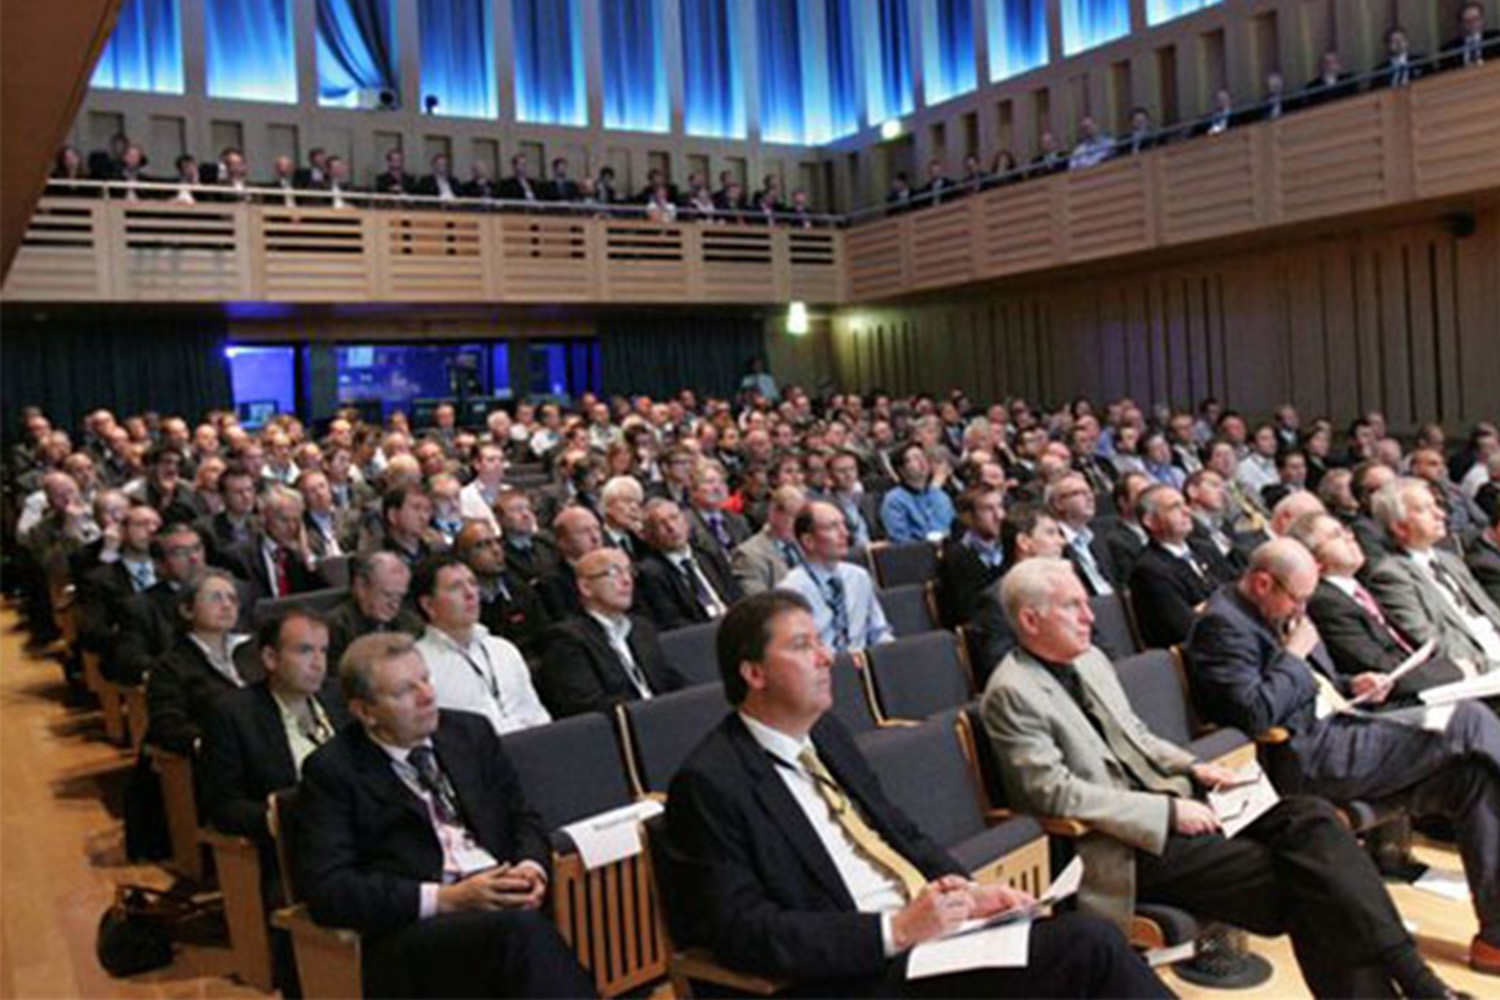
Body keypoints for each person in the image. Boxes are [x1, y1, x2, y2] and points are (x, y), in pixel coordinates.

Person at [983, 558, 1467, 999]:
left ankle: (1416, 980)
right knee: (1310, 882)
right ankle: (1419, 982)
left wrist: (1194, 767)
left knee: (1312, 817)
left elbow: (1136, 736)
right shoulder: (1011, 693)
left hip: (1184, 801)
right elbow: (1050, 792)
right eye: (1073, 607)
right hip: (1129, 844)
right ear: (1030, 619)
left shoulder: (1088, 660)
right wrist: (1168, 810)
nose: (1091, 617)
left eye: (1088, 604)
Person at [660, 591, 1172, 998]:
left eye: (821, 641)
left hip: (930, 941)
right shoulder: (710, 782)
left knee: (1079, 944)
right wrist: (896, 930)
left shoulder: (826, 735)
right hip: (855, 973)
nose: (826, 656)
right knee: (1091, 947)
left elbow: (897, 830)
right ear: (753, 674)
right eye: (801, 646)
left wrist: (970, 895)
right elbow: (745, 931)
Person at [1186, 539, 1500, 975]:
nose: (1304, 606)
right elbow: (1254, 713)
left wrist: (1353, 682)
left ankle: (1495, 940)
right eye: (1298, 597)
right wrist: (1295, 652)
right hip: (1305, 755)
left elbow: (1309, 683)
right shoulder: (1221, 626)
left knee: (1471, 779)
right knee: (1467, 720)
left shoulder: (1268, 611)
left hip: (1341, 723)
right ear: (1262, 583)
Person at [294, 633, 595, 998]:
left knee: (547, 923)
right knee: (521, 933)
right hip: (417, 931)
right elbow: (329, 891)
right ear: (364, 711)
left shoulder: (469, 733)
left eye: (426, 679)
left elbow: (522, 817)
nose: (427, 696)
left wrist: (530, 867)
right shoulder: (333, 771)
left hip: (500, 901)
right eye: (405, 691)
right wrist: (448, 898)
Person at [1289, 512, 1468, 699]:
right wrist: (1453, 670)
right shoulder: (1324, 603)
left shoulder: (1356, 587)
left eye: (1346, 531)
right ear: (1315, 561)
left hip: (1431, 683)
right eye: (1336, 536)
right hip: (1403, 701)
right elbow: (1382, 670)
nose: (1350, 538)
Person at [1363, 477, 1500, 669]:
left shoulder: (1449, 560)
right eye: (1424, 509)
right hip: (1480, 668)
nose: (1440, 514)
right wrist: (1489, 665)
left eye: (1435, 505)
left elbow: (1491, 613)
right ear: (1400, 527)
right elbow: (1430, 643)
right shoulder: (1390, 576)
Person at [536, 548, 685, 717]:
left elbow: (667, 679)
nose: (627, 580)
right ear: (586, 587)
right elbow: (587, 705)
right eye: (614, 572)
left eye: (629, 571)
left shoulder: (641, 627)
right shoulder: (566, 639)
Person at [412, 555, 550, 736]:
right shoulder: (418, 664)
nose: (470, 594)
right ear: (429, 605)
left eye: (473, 583)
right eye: (455, 588)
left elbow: (537, 714)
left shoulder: (503, 649)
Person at [145, 569, 260, 755]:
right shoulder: (170, 667)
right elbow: (167, 727)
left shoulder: (255, 650)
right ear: (187, 610)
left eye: (232, 599)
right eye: (215, 598)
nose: (227, 605)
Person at [777, 501, 893, 652]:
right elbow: (798, 650)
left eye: (843, 525)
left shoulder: (859, 577)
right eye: (833, 527)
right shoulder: (790, 591)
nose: (844, 533)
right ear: (808, 541)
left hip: (863, 666)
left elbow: (878, 631)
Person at [1129, 485, 1222, 648]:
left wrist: (1207, 607)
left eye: (1184, 504)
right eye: (1174, 507)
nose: (1187, 511)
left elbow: (1240, 591)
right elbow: (1186, 628)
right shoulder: (1148, 569)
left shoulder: (1204, 548)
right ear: (1150, 521)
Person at [635, 498, 742, 632]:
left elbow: (737, 596)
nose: (671, 528)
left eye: (674, 518)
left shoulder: (709, 555)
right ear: (650, 535)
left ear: (686, 522)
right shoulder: (650, 573)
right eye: (661, 524)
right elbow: (672, 621)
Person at [936, 486, 1006, 627]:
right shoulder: (956, 557)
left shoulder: (1010, 544)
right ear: (968, 517)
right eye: (988, 509)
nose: (999, 515)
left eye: (1000, 506)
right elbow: (967, 613)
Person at [731, 484, 807, 597]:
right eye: (792, 516)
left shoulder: (806, 546)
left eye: (801, 519)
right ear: (773, 513)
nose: (798, 525)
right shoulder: (748, 555)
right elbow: (760, 603)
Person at [880, 443, 955, 543]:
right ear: (902, 470)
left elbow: (954, 528)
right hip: (919, 554)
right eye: (914, 458)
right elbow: (901, 541)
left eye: (922, 456)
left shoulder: (941, 496)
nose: (922, 461)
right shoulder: (894, 500)